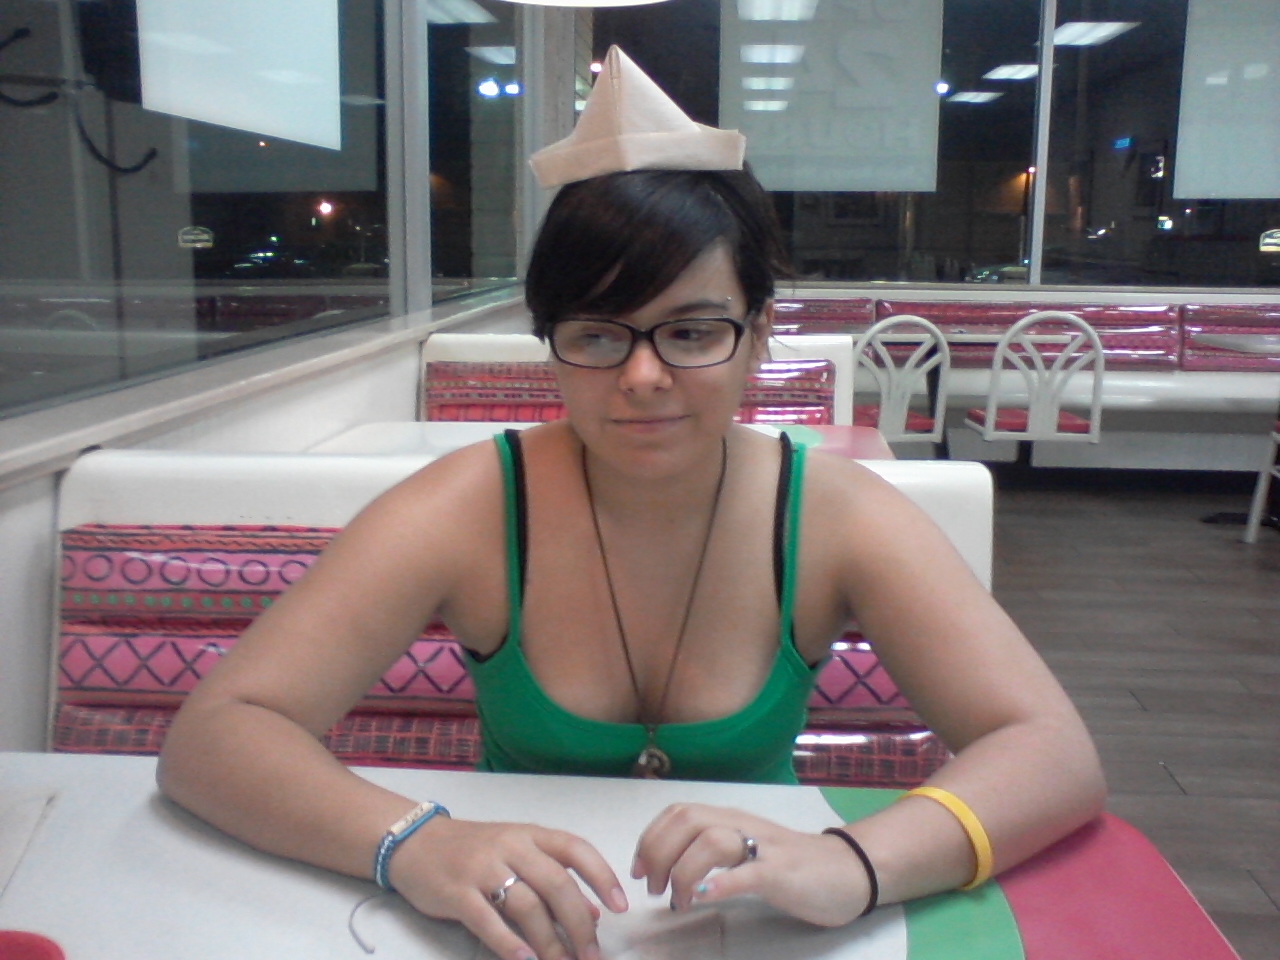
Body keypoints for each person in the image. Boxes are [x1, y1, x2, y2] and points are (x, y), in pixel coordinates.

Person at [158, 46, 1105, 960]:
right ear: (551, 340)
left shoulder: (835, 514)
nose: (643, 376)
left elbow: (1053, 753)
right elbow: (213, 736)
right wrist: (414, 843)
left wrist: (853, 863)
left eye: (691, 332)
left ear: (759, 333)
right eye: (599, 334)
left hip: (761, 930)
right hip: (512, 929)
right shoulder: (469, 506)